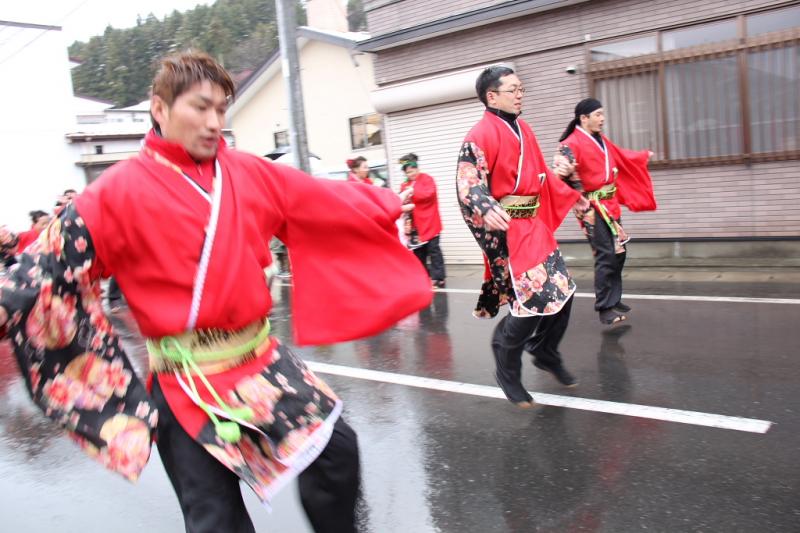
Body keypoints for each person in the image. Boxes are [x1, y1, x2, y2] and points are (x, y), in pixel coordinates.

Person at [0, 51, 431, 533]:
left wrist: (389, 200)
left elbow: (323, 200)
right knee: (214, 519)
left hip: (260, 361)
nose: (214, 122)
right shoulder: (114, 193)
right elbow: (42, 268)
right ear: (160, 108)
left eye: (222, 110)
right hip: (185, 380)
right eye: (200, 107)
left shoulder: (248, 172)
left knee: (336, 455)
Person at [456, 65, 587, 407]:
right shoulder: (479, 135)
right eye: (512, 89)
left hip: (534, 226)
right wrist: (484, 205)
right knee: (530, 303)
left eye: (521, 89)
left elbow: (542, 175)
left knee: (564, 292)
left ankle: (544, 350)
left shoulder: (524, 129)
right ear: (492, 96)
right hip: (509, 230)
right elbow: (468, 180)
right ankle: (506, 364)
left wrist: (573, 194)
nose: (519, 95)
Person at [555, 98, 657, 325]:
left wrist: (641, 157)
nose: (602, 119)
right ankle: (604, 307)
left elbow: (620, 155)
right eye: (598, 114)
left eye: (602, 114)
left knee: (619, 252)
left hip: (608, 204)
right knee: (605, 255)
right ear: (584, 118)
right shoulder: (570, 144)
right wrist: (576, 197)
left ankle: (614, 298)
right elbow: (559, 177)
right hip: (591, 208)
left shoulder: (600, 139)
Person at [398, 153, 446, 288]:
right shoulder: (404, 185)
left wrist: (412, 191)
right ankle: (425, 277)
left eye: (412, 170)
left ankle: (438, 278)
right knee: (419, 254)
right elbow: (401, 200)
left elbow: (429, 194)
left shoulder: (427, 179)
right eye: (408, 172)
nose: (410, 173)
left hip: (430, 222)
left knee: (434, 251)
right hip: (414, 225)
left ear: (417, 168)